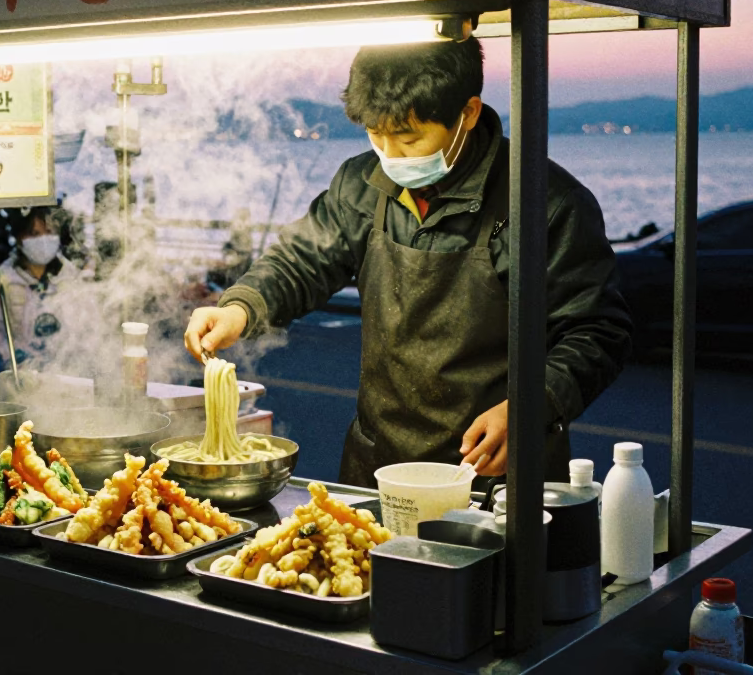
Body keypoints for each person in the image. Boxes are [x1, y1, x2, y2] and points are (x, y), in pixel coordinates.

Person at [184, 40, 632, 485]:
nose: (390, 155)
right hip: (378, 462)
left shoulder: (545, 202)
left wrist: (533, 406)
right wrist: (239, 307)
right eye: (375, 135)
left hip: (492, 468)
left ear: (468, 113)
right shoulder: (360, 184)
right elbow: (302, 260)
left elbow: (595, 331)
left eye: (409, 137)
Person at [0, 207, 78, 376]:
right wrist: (13, 364)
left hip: (67, 379)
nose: (43, 240)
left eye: (49, 232)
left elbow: (85, 331)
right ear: (19, 238)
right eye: (34, 234)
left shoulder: (72, 277)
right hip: (18, 383)